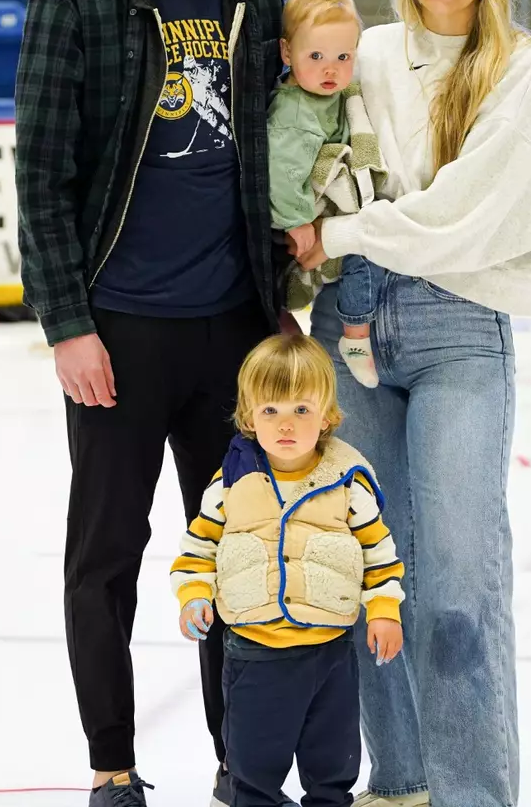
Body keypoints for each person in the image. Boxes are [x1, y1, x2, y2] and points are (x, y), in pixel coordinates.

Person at [12, 0, 289, 807]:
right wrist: (68, 323)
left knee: (236, 554)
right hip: (120, 331)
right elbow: (39, 174)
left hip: (232, 331)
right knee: (108, 555)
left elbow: (271, 155)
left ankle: (240, 759)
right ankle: (112, 762)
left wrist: (281, 290)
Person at [292, 0, 531, 807]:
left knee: (456, 584)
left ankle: (473, 797)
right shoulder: (365, 54)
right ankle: (401, 781)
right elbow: (299, 143)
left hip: (460, 329)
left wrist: (340, 235)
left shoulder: (518, 69)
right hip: (350, 324)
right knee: (374, 570)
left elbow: (464, 218)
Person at [171, 333, 406, 807]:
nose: (285, 424)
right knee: (252, 768)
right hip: (255, 655)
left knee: (333, 766)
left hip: (330, 656)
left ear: (326, 415)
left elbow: (378, 552)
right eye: (270, 411)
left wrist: (384, 609)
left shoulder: (349, 480)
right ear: (249, 417)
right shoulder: (231, 482)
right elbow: (199, 546)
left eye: (301, 409)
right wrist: (193, 593)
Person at [268, 0, 388, 388]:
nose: (330, 69)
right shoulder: (295, 111)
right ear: (287, 53)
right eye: (315, 56)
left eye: (343, 57)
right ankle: (355, 333)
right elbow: (282, 171)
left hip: (324, 208)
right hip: (305, 218)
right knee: (361, 252)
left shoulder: (333, 93)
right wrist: (297, 220)